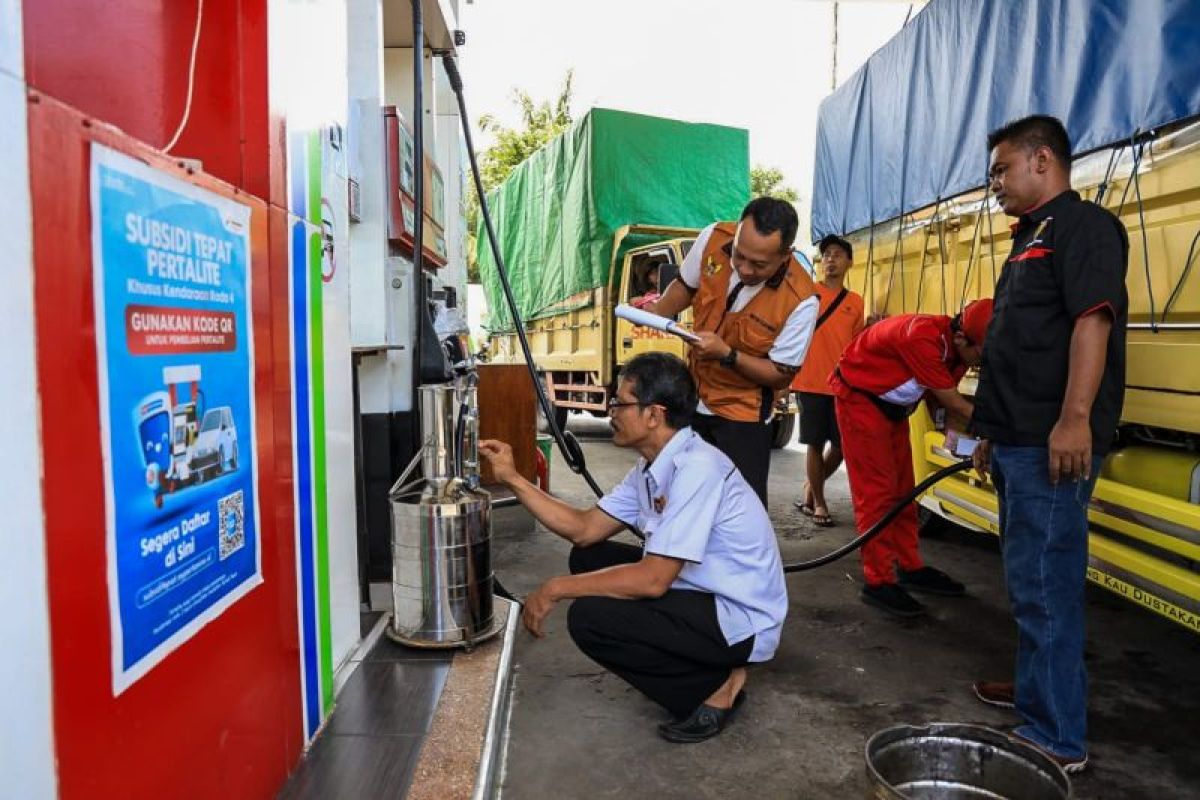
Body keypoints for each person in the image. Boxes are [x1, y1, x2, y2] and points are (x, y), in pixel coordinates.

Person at [479, 352, 788, 744]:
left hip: (740, 617)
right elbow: (585, 529)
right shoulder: (651, 467)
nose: (611, 411)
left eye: (620, 403)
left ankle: (715, 686)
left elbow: (655, 579)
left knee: (590, 618)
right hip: (699, 589)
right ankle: (695, 660)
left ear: (654, 414)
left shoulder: (697, 469)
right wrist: (513, 478)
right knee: (588, 557)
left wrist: (555, 588)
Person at [969, 115, 1127, 775]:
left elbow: (1092, 321)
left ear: (1041, 160)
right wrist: (988, 432)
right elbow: (1017, 340)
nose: (995, 183)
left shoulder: (1083, 227)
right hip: (1017, 437)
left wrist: (1075, 419)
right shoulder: (1028, 237)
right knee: (1026, 580)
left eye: (1002, 169)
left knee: (1046, 584)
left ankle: (1058, 734)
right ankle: (1038, 691)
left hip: (1049, 442)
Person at [829, 299, 993, 617]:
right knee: (878, 492)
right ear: (962, 339)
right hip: (860, 402)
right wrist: (997, 432)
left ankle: (909, 565)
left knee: (904, 491)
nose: (980, 364)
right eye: (981, 355)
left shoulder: (957, 353)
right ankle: (878, 581)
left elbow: (941, 407)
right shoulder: (922, 337)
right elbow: (955, 402)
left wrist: (960, 441)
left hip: (893, 410)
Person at [650, 197, 819, 504]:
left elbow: (780, 375)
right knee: (675, 497)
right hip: (692, 398)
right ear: (738, 232)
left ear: (786, 256)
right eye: (739, 256)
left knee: (739, 508)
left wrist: (728, 354)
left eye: (758, 264)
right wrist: (659, 312)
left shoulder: (802, 300)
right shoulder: (714, 237)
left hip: (742, 417)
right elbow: (685, 285)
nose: (743, 268)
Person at [790, 234, 865, 527]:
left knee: (843, 446)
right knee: (814, 444)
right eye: (826, 255)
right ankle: (819, 502)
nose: (830, 259)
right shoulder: (809, 294)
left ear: (849, 262)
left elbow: (857, 343)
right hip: (809, 381)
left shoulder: (855, 302)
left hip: (842, 384)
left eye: (837, 254)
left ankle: (811, 487)